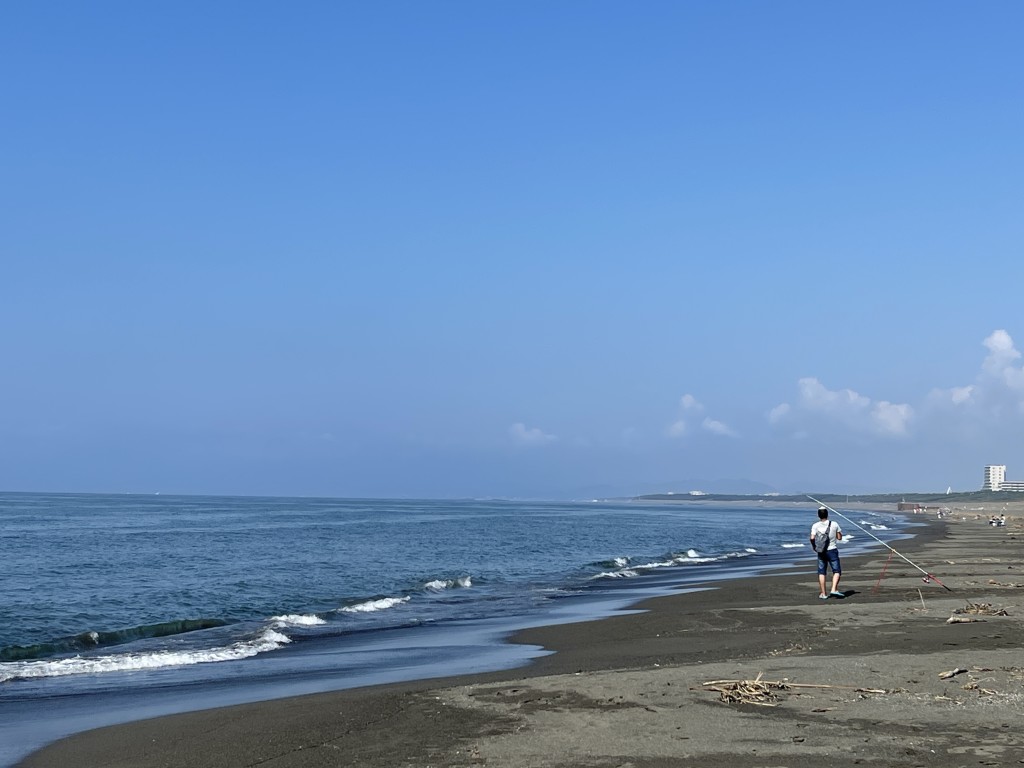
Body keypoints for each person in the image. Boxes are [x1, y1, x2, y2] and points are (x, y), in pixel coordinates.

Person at [810, 506, 843, 599]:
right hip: (832, 550)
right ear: (827, 514)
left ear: (818, 515)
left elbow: (812, 538)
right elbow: (839, 538)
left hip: (821, 551)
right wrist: (838, 531)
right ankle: (833, 589)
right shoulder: (834, 524)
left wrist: (814, 547)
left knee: (822, 572)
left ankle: (823, 594)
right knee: (836, 571)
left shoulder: (815, 525)